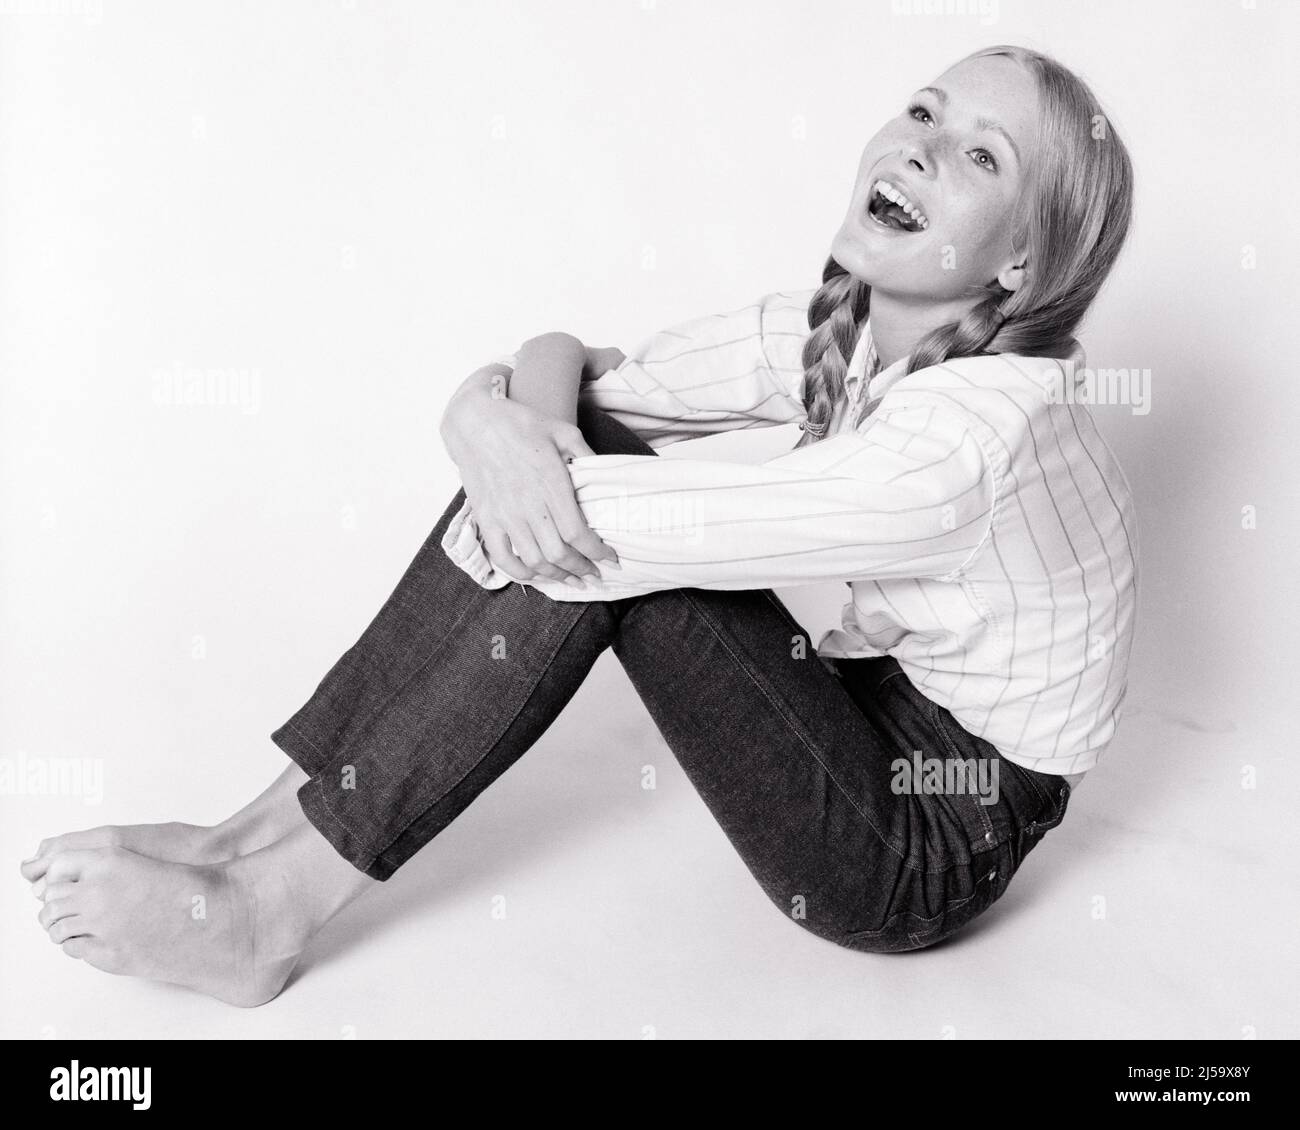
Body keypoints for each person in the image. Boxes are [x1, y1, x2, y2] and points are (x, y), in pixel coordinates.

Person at [21, 44, 1137, 1006]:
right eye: (925, 111)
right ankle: (240, 841)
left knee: (586, 532)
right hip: (872, 706)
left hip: (928, 834)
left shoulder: (969, 439)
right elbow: (576, 366)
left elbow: (615, 516)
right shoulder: (844, 323)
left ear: (1020, 264)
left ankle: (269, 905)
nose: (921, 146)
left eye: (982, 156)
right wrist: (501, 416)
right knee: (567, 476)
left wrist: (495, 433)